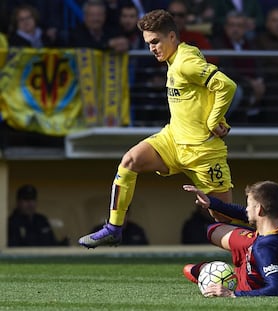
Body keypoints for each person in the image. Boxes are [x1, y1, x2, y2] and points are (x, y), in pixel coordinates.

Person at [78, 9, 237, 248]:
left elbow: (226, 85)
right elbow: (204, 94)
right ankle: (113, 228)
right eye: (147, 43)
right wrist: (213, 115)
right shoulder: (175, 59)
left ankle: (269, 248)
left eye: (155, 41)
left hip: (203, 153)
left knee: (224, 220)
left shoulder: (185, 62)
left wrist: (214, 120)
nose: (151, 48)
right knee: (130, 161)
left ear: (172, 37)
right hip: (173, 139)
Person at [182, 181, 278, 297]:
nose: (247, 209)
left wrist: (232, 294)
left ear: (259, 210)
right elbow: (242, 213)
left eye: (249, 205)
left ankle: (202, 271)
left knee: (195, 267)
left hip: (252, 282)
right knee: (213, 230)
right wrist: (211, 203)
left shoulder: (263, 248)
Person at [211, 11, 266, 122]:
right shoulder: (217, 43)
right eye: (232, 25)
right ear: (226, 27)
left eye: (239, 26)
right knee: (238, 90)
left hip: (251, 82)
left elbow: (259, 63)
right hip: (230, 82)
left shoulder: (251, 44)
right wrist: (249, 82)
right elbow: (224, 68)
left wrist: (259, 80)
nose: (235, 29)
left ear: (245, 28)